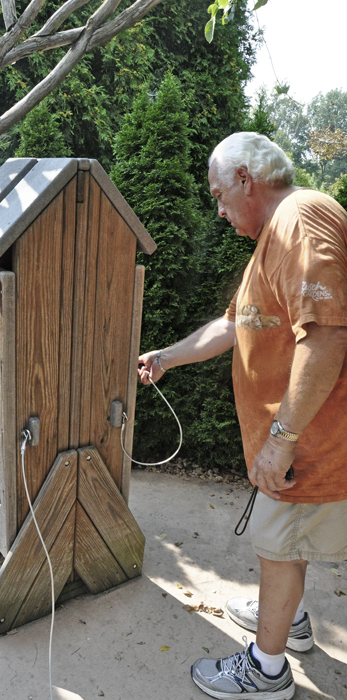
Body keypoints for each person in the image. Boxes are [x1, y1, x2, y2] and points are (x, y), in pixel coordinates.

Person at [138, 132, 347, 700]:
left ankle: (267, 669)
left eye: (218, 194)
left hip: (310, 445)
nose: (220, 209)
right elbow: (234, 325)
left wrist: (282, 438)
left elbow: (327, 335)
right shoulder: (272, 241)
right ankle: (292, 622)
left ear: (245, 180)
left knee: (278, 545)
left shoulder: (301, 218)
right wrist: (167, 357)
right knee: (285, 543)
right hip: (295, 441)